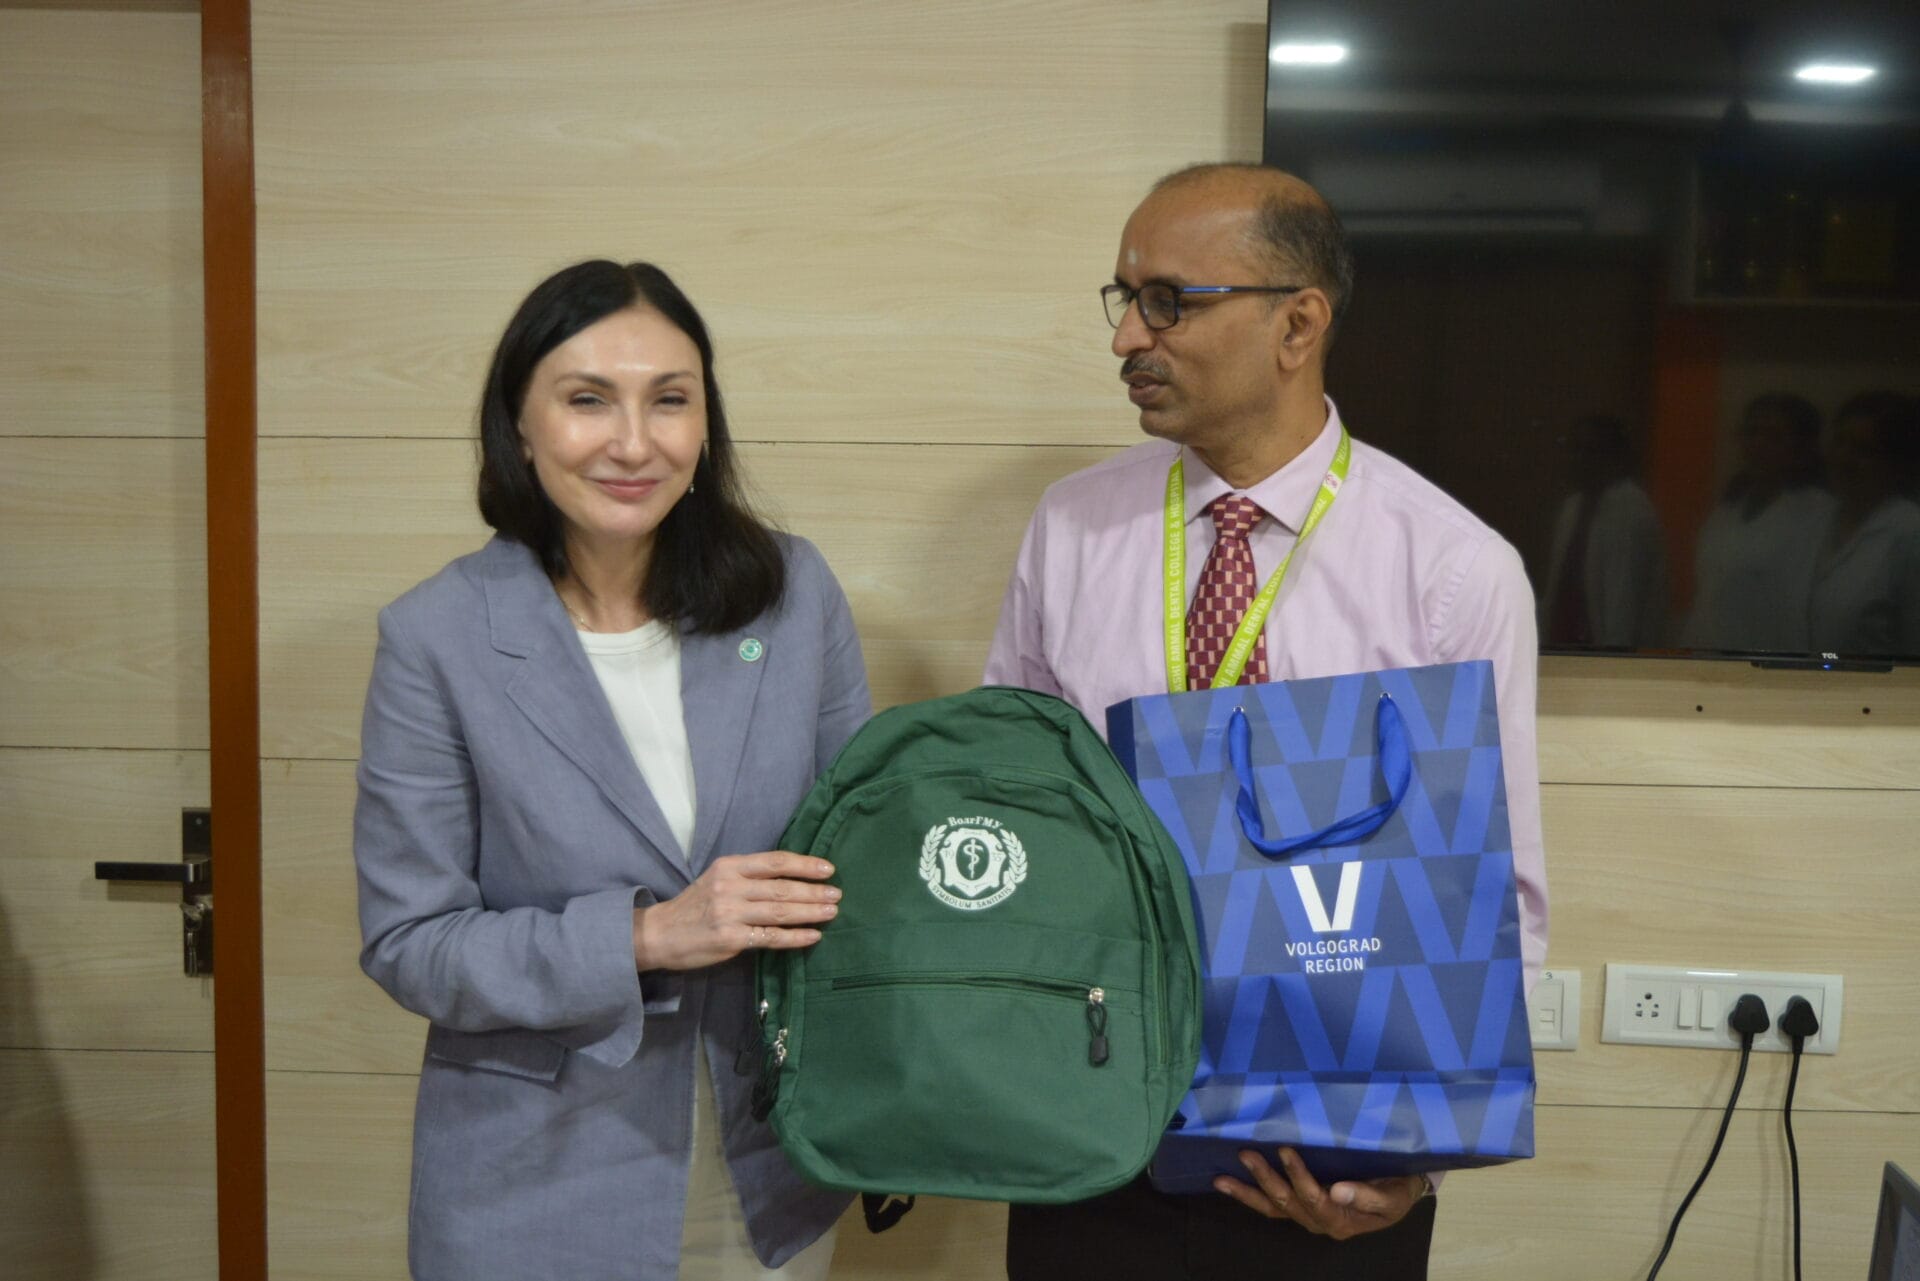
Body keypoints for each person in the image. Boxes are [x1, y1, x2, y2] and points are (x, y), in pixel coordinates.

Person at [984, 163, 1548, 1280]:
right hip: (1094, 1137)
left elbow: (1497, 898)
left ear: (1298, 324)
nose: (1128, 338)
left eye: (1169, 302)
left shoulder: (1451, 569)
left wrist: (1419, 1163)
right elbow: (1018, 807)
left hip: (1328, 1162)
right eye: (1126, 298)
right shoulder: (1073, 527)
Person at [353, 259, 868, 1281]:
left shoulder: (794, 595)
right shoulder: (436, 636)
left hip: (767, 1168)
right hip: (532, 1177)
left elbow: (861, 854)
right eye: (588, 400)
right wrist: (646, 937)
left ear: (706, 424)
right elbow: (412, 942)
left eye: (670, 400)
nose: (634, 443)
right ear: (520, 425)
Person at [1681, 392, 1833, 654]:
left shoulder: (1820, 513)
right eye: (1751, 433)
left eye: (1773, 436)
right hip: (1702, 657)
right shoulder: (1727, 510)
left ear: (1802, 447)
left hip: (1770, 662)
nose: (1757, 444)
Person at [1539, 414, 1669, 649]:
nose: (1578, 459)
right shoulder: (1573, 508)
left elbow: (1623, 607)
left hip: (1609, 659)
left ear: (1612, 457)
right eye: (1574, 449)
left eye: (1589, 450)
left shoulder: (1631, 512)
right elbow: (1557, 592)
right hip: (1563, 653)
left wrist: (1613, 662)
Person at [1808, 390, 1920, 657]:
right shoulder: (1815, 517)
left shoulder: (1910, 533)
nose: (1844, 459)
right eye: (1840, 442)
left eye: (1864, 450)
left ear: (1896, 462)